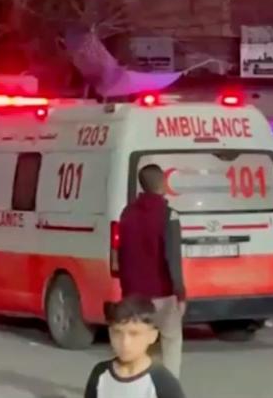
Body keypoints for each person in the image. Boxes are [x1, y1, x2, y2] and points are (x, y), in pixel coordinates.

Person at [118, 164, 186, 377]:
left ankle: (135, 386)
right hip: (162, 291)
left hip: (134, 294)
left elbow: (121, 253)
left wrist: (125, 290)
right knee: (171, 339)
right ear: (162, 183)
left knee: (138, 344)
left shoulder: (127, 213)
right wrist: (180, 292)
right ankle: (169, 386)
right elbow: (172, 257)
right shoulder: (169, 215)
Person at [84, 297, 185, 398]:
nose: (125, 342)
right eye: (117, 332)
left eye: (134, 334)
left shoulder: (163, 382)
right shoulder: (100, 374)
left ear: (152, 336)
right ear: (110, 333)